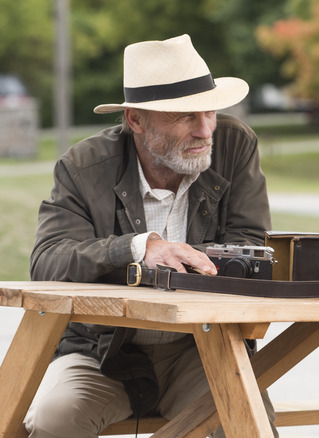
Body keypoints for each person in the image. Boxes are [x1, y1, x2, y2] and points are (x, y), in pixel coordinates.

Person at [26, 34, 276, 438]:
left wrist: (182, 265)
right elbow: (47, 260)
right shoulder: (82, 165)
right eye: (184, 116)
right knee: (55, 420)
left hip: (200, 348)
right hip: (101, 352)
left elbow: (249, 242)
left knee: (246, 419)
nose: (205, 129)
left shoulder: (234, 144)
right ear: (136, 120)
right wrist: (140, 249)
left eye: (209, 111)